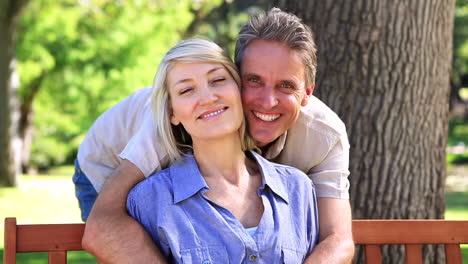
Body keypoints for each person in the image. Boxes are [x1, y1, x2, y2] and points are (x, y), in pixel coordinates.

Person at [81, 7, 354, 263]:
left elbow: (338, 239)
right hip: (106, 163)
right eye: (254, 80)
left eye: (285, 86)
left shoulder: (323, 137)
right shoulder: (177, 118)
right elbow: (103, 227)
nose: (268, 102)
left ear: (307, 93)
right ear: (237, 77)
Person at [125, 38, 319, 262]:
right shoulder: (150, 199)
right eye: (187, 90)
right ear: (172, 113)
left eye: (217, 80)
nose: (208, 98)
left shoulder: (297, 188)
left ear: (239, 89)